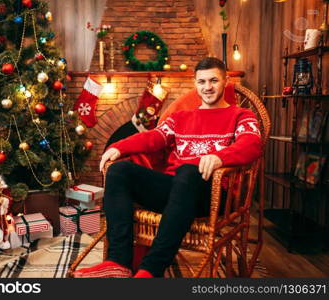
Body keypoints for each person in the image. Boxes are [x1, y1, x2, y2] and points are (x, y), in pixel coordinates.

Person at [73, 57, 262, 278]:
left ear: (226, 81)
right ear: (195, 83)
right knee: (119, 171)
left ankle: (151, 269)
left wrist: (220, 157)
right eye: (202, 82)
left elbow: (252, 144)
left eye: (214, 81)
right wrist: (118, 147)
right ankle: (118, 262)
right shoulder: (181, 117)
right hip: (176, 192)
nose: (207, 87)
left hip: (212, 196)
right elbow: (155, 137)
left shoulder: (241, 115)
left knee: (189, 170)